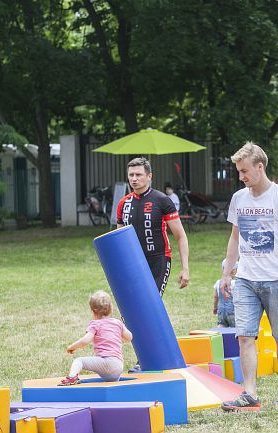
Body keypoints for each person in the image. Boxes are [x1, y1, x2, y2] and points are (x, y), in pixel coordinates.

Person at [219, 142, 278, 412]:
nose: (241, 177)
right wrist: (226, 273)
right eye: (239, 172)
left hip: (276, 280)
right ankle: (250, 392)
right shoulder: (239, 198)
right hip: (245, 279)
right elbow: (234, 237)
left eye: (244, 171)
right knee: (244, 336)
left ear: (260, 166)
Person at [117, 157, 190, 295]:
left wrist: (185, 268)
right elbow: (119, 239)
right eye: (131, 175)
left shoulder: (162, 200)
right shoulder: (123, 203)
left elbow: (180, 236)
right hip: (133, 261)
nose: (134, 179)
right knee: (132, 302)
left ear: (149, 176)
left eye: (138, 175)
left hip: (158, 259)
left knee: (151, 302)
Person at [59, 290, 133, 386]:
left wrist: (71, 347)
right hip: (118, 365)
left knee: (79, 361)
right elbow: (129, 337)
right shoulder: (117, 323)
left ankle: (72, 378)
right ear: (111, 307)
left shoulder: (95, 324)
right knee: (112, 385)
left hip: (105, 363)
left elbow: (85, 341)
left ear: (93, 310)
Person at [213, 259, 237, 327]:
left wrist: (215, 308)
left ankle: (221, 337)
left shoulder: (218, 283)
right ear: (235, 272)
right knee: (235, 329)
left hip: (221, 312)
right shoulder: (235, 283)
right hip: (232, 312)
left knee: (221, 327)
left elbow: (215, 297)